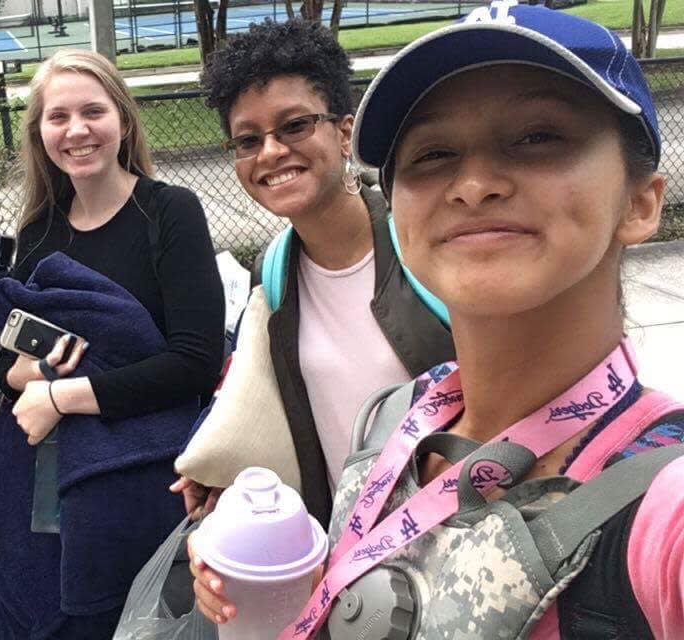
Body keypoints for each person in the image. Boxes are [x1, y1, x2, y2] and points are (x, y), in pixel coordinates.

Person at [191, 4, 684, 637]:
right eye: (434, 152)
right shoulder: (395, 416)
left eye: (538, 137)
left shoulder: (659, 506)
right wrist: (281, 570)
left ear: (641, 202)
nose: (474, 184)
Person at [0, 49, 225, 638]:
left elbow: (194, 363)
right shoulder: (39, 230)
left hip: (138, 477)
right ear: (40, 133)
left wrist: (61, 396)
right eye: (58, 117)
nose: (76, 130)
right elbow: (7, 363)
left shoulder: (170, 213)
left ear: (122, 119)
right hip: (47, 480)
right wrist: (31, 375)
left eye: (92, 112)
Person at [172, 19, 455, 527]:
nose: (271, 152)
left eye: (295, 126)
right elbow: (272, 405)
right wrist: (226, 470)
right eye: (248, 140)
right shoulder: (274, 270)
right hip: (342, 548)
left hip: (450, 536)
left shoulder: (427, 243)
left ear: (345, 132)